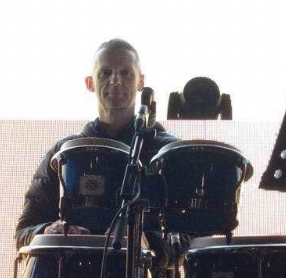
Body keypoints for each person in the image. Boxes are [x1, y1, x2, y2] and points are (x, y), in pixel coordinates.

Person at [15, 38, 178, 250]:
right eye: (105, 73)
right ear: (90, 83)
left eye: (126, 73)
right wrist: (48, 230)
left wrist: (147, 242)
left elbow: (189, 236)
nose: (115, 81)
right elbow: (24, 232)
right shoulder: (63, 153)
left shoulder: (167, 154)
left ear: (140, 82)